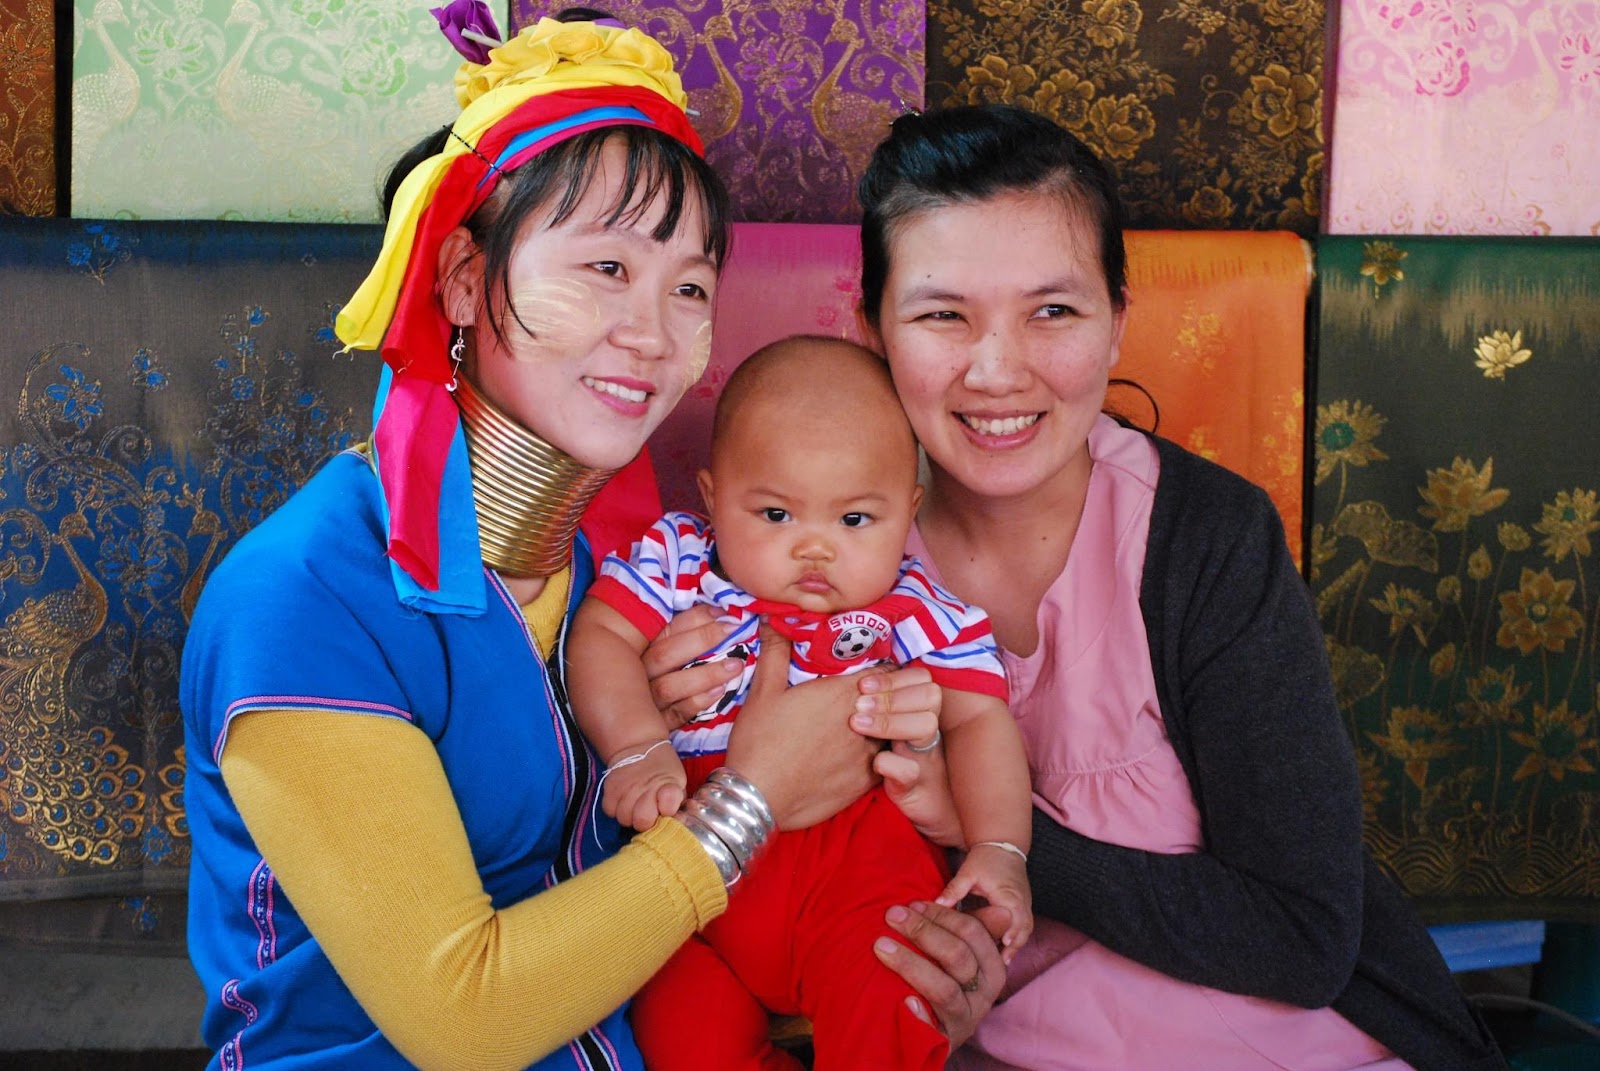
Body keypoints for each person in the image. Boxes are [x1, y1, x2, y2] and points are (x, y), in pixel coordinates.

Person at [649, 105, 1509, 1070]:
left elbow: (1304, 938)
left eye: (1053, 311)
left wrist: (986, 832)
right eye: (942, 315)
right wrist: (673, 723)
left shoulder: (1205, 541)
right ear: (873, 329)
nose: (997, 370)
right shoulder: (794, 557)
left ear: (1116, 325)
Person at [178, 13, 962, 1070]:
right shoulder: (302, 598)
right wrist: (747, 801)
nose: (652, 331)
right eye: (604, 266)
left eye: (689, 287)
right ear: (463, 277)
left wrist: (904, 962)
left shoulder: (618, 585)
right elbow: (464, 1018)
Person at [567, 336, 1034, 1070]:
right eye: (777, 514)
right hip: (697, 886)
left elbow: (980, 717)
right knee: (672, 1030)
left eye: (855, 520)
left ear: (908, 510)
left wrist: (1000, 847)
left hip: (859, 875)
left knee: (895, 993)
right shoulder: (683, 562)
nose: (814, 548)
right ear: (713, 498)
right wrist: (637, 745)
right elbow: (599, 634)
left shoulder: (914, 607)